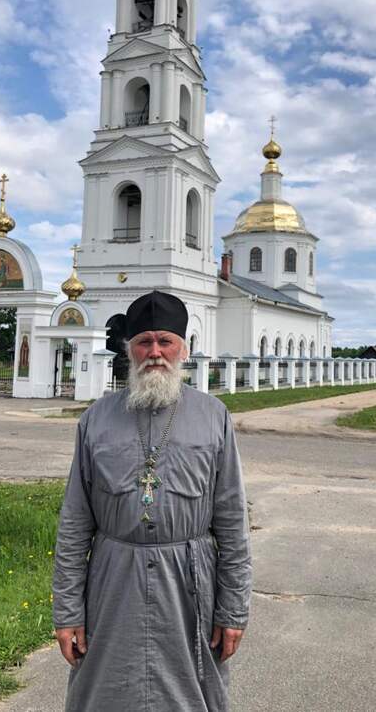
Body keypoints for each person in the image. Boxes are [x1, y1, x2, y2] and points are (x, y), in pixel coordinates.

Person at [53, 290, 252, 711]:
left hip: (190, 585)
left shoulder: (213, 416)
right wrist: (68, 611)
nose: (155, 352)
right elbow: (74, 524)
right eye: (144, 341)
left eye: (166, 341)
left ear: (184, 348)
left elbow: (233, 522)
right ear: (129, 349)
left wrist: (233, 609)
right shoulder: (95, 420)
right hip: (112, 583)